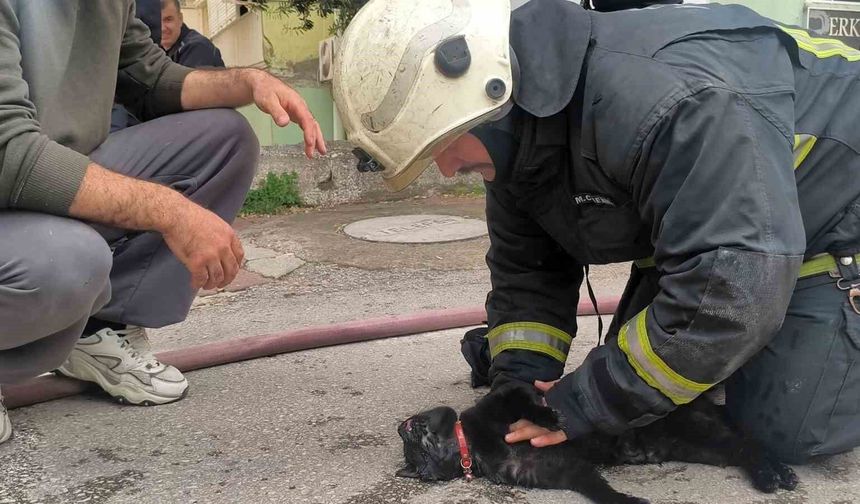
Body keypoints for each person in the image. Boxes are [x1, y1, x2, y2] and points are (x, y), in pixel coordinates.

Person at [333, 0, 860, 463]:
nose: (446, 169)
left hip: (837, 215)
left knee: (790, 424)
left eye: (440, 145)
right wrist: (517, 388)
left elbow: (727, 296)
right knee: (647, 385)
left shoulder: (666, 102)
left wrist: (580, 405)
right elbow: (528, 275)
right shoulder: (521, 133)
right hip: (740, 230)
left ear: (483, 101)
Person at [0, 0, 326, 444]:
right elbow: (8, 153)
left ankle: (96, 329)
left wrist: (251, 82)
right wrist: (170, 211)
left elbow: (149, 76)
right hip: (11, 175)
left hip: (44, 181)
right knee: (69, 263)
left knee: (224, 141)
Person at [161, 0, 225, 68]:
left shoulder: (198, 48)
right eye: (156, 21)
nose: (162, 28)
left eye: (168, 19)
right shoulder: (161, 49)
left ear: (180, 19)